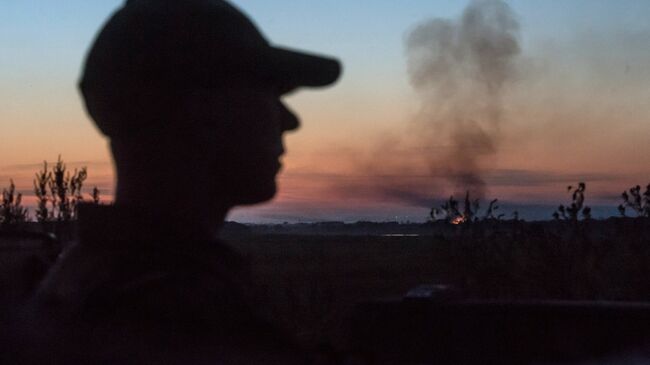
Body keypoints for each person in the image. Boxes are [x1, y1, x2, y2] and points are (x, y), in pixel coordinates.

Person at [19, 0, 341, 363]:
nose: (289, 120)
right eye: (268, 93)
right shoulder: (181, 325)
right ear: (205, 111)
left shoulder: (75, 283)